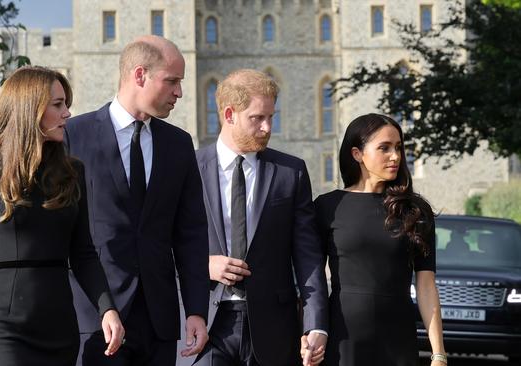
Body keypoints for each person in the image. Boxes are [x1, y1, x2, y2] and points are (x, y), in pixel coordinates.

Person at [0, 66, 124, 366]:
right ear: (30, 109)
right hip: (7, 329)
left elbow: (83, 254)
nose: (67, 113)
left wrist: (107, 309)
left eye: (66, 103)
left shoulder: (72, 173)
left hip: (61, 325)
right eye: (57, 104)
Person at [64, 35, 210, 366]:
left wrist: (197, 310)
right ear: (140, 75)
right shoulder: (75, 136)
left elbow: (191, 235)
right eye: (172, 81)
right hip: (94, 316)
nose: (180, 93)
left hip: (159, 320)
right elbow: (61, 230)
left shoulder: (178, 144)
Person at [189, 69, 328, 366]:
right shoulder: (188, 169)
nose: (267, 127)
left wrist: (315, 323)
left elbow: (307, 254)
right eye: (257, 118)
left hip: (273, 328)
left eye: (271, 117)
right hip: (205, 324)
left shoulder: (292, 172)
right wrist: (203, 263)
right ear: (229, 114)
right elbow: (161, 242)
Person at [314, 113, 446, 366]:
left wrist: (438, 353)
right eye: (384, 148)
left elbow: (427, 285)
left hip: (398, 337)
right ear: (357, 154)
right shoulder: (327, 206)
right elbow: (313, 281)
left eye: (398, 147)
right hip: (342, 337)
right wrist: (308, 332)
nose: (395, 156)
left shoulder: (415, 211)